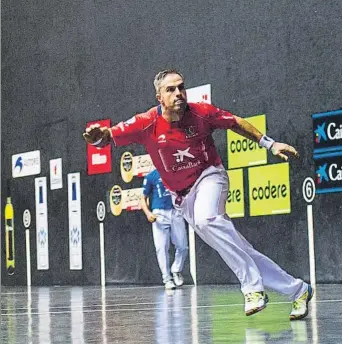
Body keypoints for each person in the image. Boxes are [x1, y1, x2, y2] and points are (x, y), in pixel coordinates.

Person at [83, 69, 313, 320]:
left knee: (207, 220)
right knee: (236, 247)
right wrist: (97, 139)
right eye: (170, 90)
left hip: (210, 177)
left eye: (181, 87)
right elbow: (108, 137)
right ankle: (298, 290)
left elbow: (235, 122)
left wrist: (269, 143)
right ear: (159, 97)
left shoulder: (201, 112)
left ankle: (252, 289)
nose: (178, 93)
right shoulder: (146, 122)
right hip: (182, 198)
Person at [139, 168, 188, 290]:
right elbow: (142, 198)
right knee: (161, 247)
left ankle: (176, 270)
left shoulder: (176, 172)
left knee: (182, 246)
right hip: (159, 214)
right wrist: (148, 213)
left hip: (176, 211)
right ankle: (167, 278)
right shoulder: (151, 176)